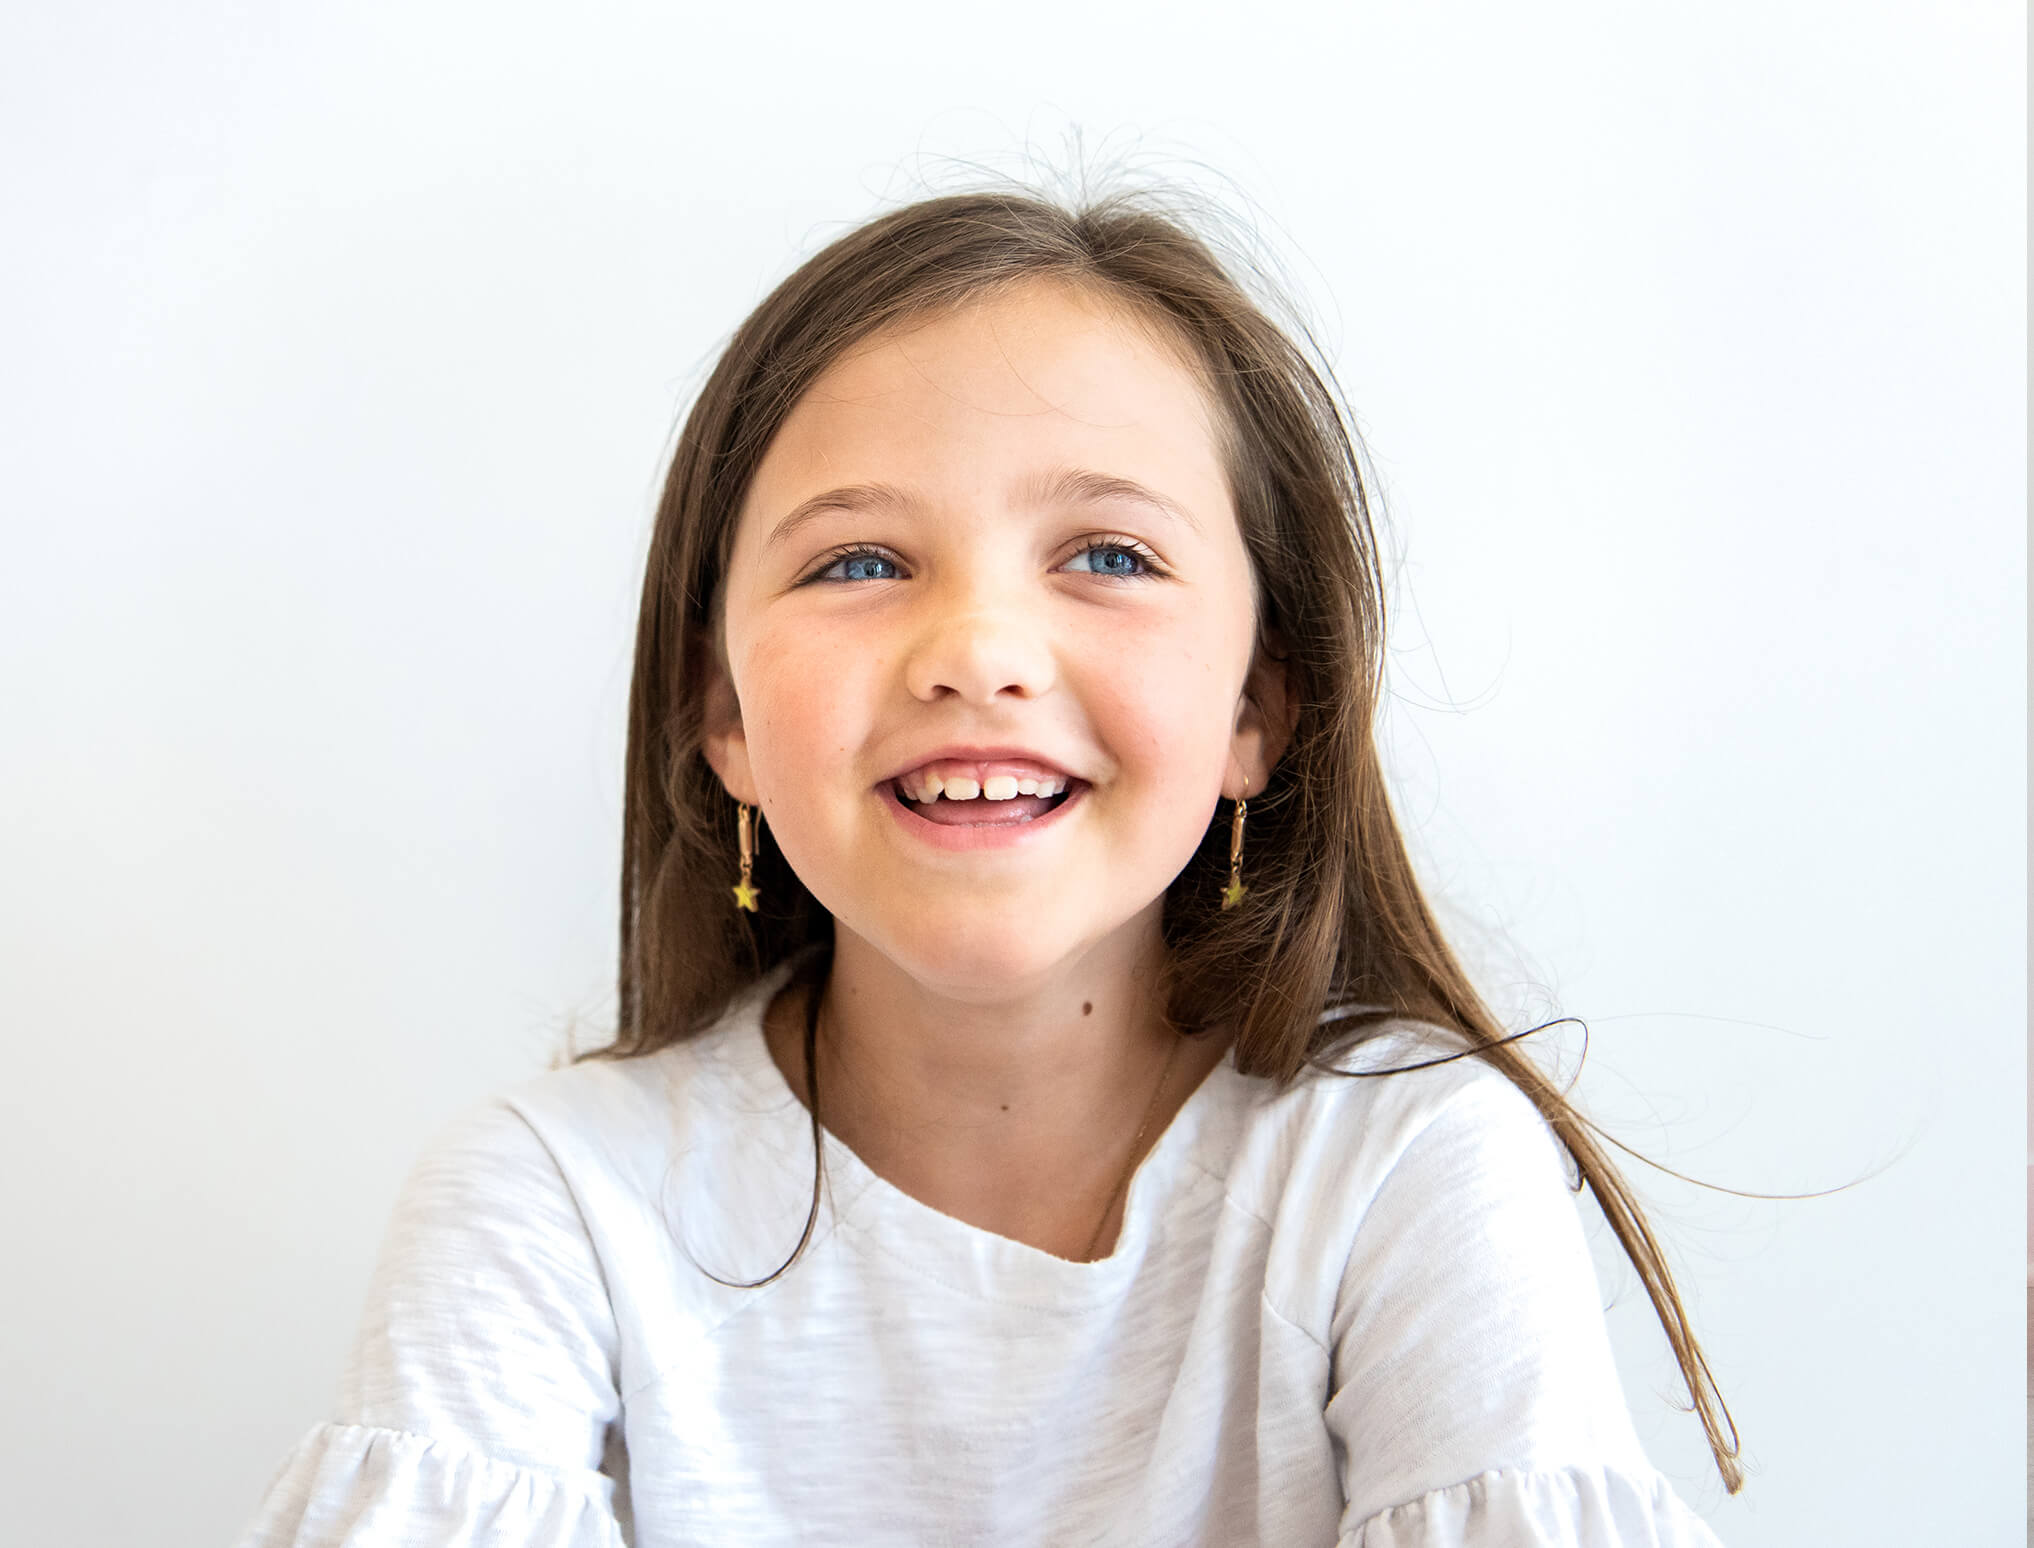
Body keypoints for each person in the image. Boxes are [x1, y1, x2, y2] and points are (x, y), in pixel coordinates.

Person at [235, 182, 1740, 1546]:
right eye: (859, 563)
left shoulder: (1402, 1169)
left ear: (1256, 712)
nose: (975, 654)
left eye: (1106, 555)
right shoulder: (553, 1200)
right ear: (723, 718)